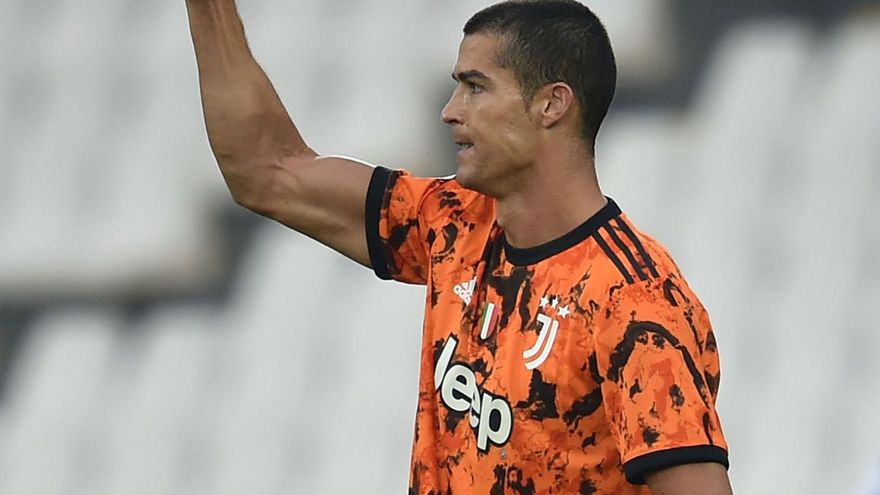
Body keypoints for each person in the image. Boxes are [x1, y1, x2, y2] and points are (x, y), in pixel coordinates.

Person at [185, 0, 733, 493]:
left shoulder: (632, 301)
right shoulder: (455, 223)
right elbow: (267, 172)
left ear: (551, 105)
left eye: (475, 86)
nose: (450, 110)